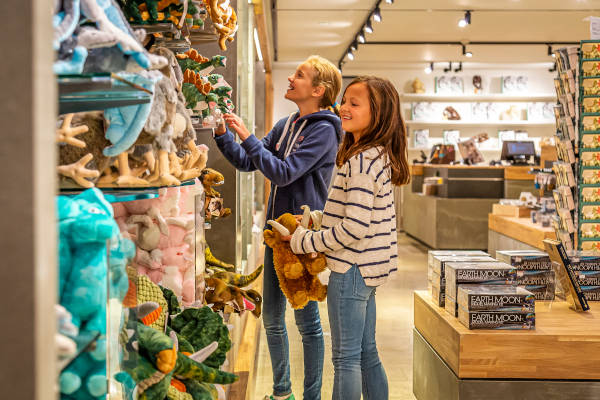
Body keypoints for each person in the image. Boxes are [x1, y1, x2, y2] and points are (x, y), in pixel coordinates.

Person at [213, 55, 343, 400]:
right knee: (271, 318)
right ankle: (282, 392)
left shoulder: (325, 131)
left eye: (299, 75)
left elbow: (284, 172)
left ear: (318, 90)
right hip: (276, 237)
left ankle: (311, 396)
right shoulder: (286, 124)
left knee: (307, 323)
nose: (291, 79)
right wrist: (224, 134)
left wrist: (249, 137)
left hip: (305, 240)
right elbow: (247, 162)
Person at [288, 76, 410, 400]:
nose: (343, 107)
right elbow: (359, 216)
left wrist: (304, 241)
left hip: (351, 270)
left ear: (378, 113)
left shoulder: (359, 162)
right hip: (369, 270)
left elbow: (355, 228)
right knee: (366, 353)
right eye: (344, 101)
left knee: (345, 359)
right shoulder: (376, 155)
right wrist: (318, 220)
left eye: (354, 103)